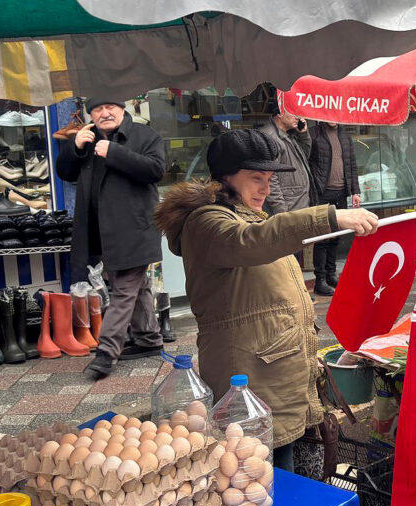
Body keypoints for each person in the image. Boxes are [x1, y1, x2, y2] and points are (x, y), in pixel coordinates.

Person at [153, 129, 377, 471]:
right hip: (249, 378)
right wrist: (331, 217)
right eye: (256, 178)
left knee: (292, 477)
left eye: (270, 179)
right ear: (226, 177)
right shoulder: (207, 222)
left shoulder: (251, 214)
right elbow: (253, 241)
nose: (266, 188)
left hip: (278, 372)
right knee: (262, 475)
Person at [55, 98, 165, 380]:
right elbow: (65, 173)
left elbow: (156, 171)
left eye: (110, 108)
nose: (104, 113)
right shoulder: (87, 138)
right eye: (97, 109)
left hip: (135, 228)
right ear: (90, 114)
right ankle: (149, 339)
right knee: (134, 287)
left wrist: (114, 152)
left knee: (124, 289)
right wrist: (75, 147)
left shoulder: (144, 135)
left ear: (122, 109)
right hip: (101, 229)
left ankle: (106, 353)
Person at [308, 122, 361, 296]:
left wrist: (355, 191)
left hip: (341, 193)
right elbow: (308, 164)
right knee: (322, 238)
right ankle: (320, 280)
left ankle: (331, 274)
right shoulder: (314, 134)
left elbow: (352, 165)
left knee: (336, 237)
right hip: (322, 193)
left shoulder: (345, 136)